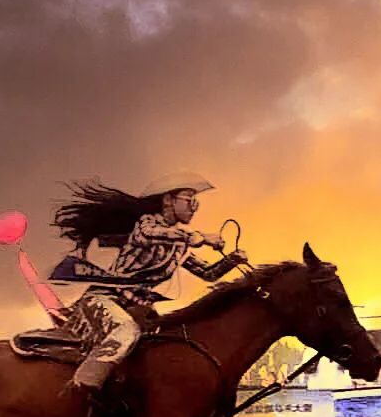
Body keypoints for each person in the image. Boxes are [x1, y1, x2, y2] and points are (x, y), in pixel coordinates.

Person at [49, 172, 248, 403]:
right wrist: (200, 237)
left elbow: (208, 274)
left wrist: (233, 260)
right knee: (125, 332)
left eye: (196, 202)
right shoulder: (147, 224)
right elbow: (153, 235)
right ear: (167, 201)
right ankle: (81, 389)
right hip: (106, 301)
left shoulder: (178, 247)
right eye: (188, 199)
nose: (194, 207)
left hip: (142, 310)